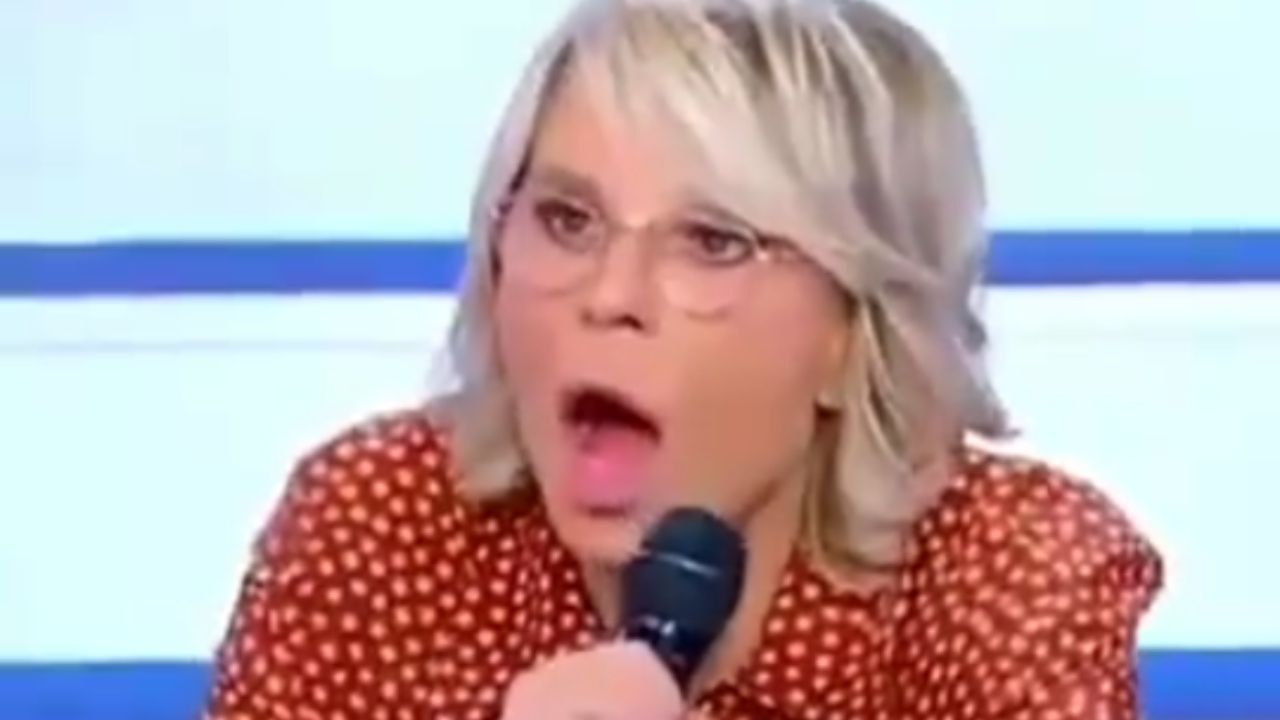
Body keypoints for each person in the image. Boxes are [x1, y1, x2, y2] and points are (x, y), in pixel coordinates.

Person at [201, 0, 1163, 718]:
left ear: (854, 330)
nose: (610, 294)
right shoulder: (379, 527)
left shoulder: (1008, 572)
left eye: (712, 241)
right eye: (567, 220)